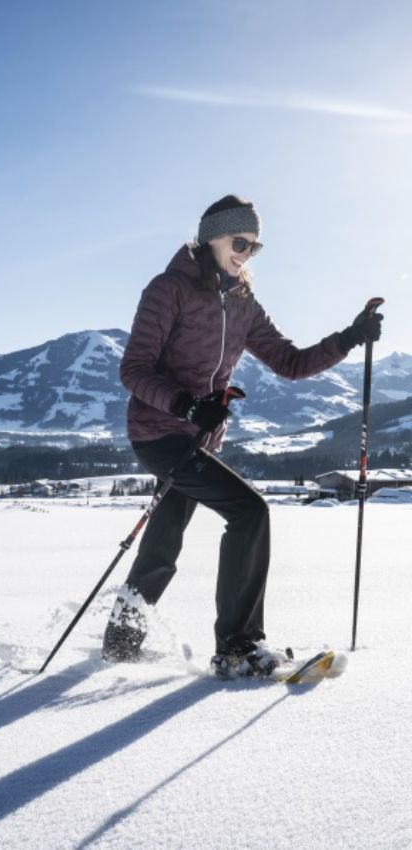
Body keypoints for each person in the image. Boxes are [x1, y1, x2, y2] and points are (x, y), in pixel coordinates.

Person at [102, 195, 382, 677]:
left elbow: (290, 363)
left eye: (254, 246)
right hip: (159, 433)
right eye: (239, 242)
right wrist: (186, 404)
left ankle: (121, 642)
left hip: (200, 440)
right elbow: (134, 369)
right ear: (211, 235)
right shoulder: (169, 289)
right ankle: (237, 646)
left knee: (163, 540)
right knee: (250, 511)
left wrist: (349, 337)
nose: (245, 254)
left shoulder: (243, 302)